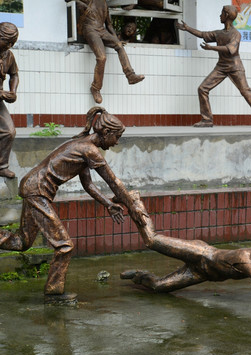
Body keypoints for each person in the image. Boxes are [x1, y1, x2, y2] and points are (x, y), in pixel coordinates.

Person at [0, 107, 146, 304]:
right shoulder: (88, 150)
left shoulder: (83, 145)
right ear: (107, 133)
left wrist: (108, 204)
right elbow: (114, 182)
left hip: (33, 188)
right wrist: (133, 207)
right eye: (117, 137)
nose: (117, 142)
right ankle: (54, 293)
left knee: (22, 242)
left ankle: (53, 292)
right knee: (65, 245)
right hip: (37, 191)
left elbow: (88, 185)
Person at [120, 191, 251, 313]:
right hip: (200, 253)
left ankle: (139, 276)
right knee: (152, 241)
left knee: (157, 287)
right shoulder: (246, 260)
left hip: (201, 273)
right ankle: (135, 200)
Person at [176, 5, 251, 128]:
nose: (220, 16)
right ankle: (207, 120)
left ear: (226, 15)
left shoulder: (236, 34)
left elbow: (230, 49)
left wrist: (211, 47)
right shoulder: (219, 33)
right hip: (221, 66)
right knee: (202, 88)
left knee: (245, 91)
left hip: (235, 67)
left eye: (221, 13)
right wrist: (187, 28)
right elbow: (202, 34)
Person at [69, 0, 145, 104]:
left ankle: (130, 75)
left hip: (101, 30)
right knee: (102, 57)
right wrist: (84, 7)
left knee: (119, 45)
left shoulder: (104, 4)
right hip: (90, 29)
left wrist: (116, 40)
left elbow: (109, 25)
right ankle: (95, 88)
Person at [0, 22, 19, 179]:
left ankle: (2, 166)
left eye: (13, 42)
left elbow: (14, 74)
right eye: (7, 41)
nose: (10, 45)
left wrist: (12, 91)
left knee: (9, 131)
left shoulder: (8, 55)